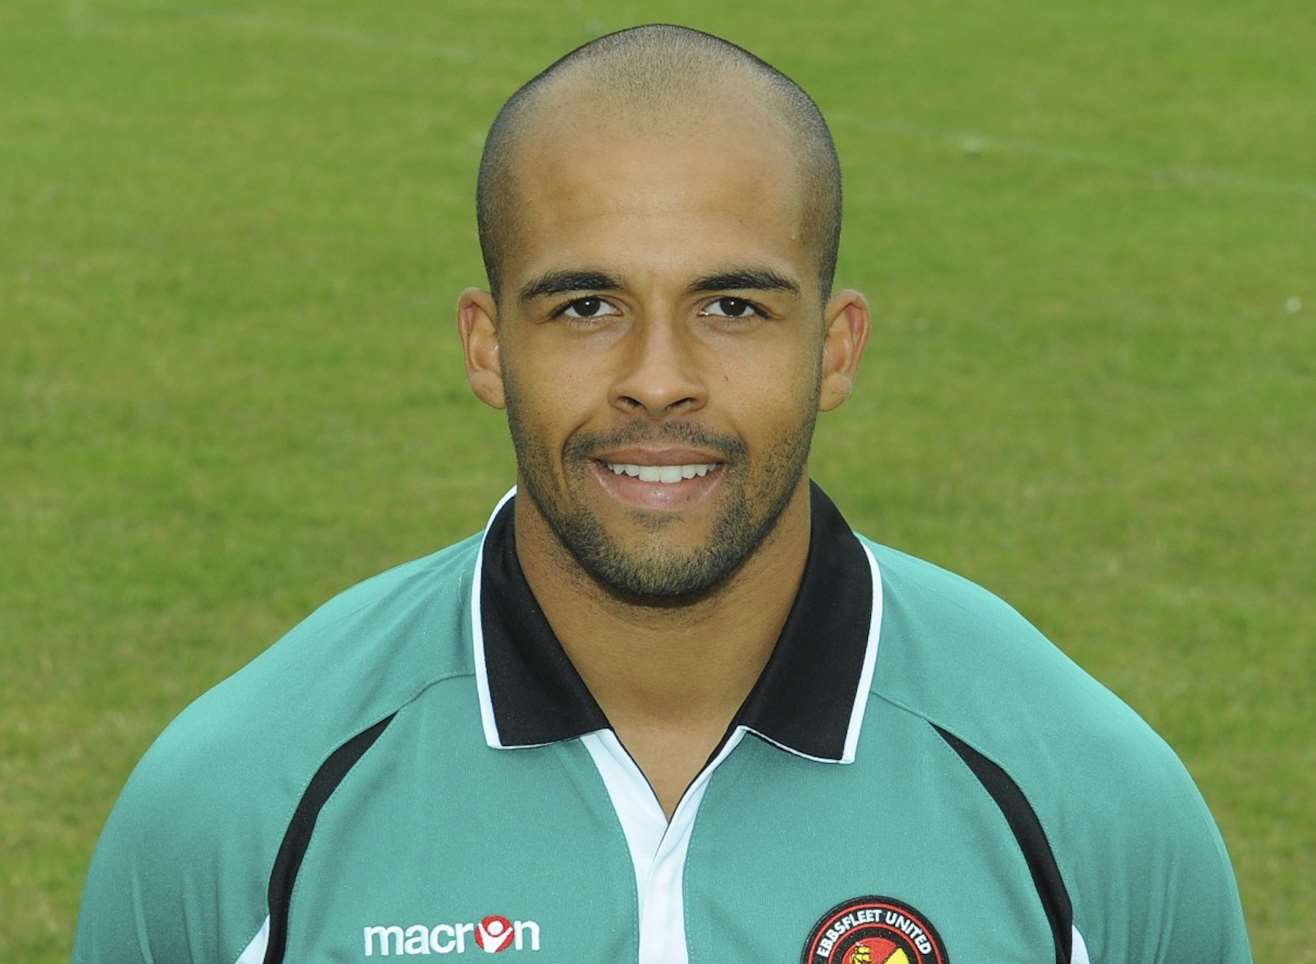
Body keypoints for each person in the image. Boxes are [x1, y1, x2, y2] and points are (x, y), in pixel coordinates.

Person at [73, 24, 1252, 964]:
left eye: (731, 307)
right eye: (583, 306)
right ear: (486, 347)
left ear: (834, 349)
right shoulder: (238, 804)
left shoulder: (1087, 803)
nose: (656, 381)